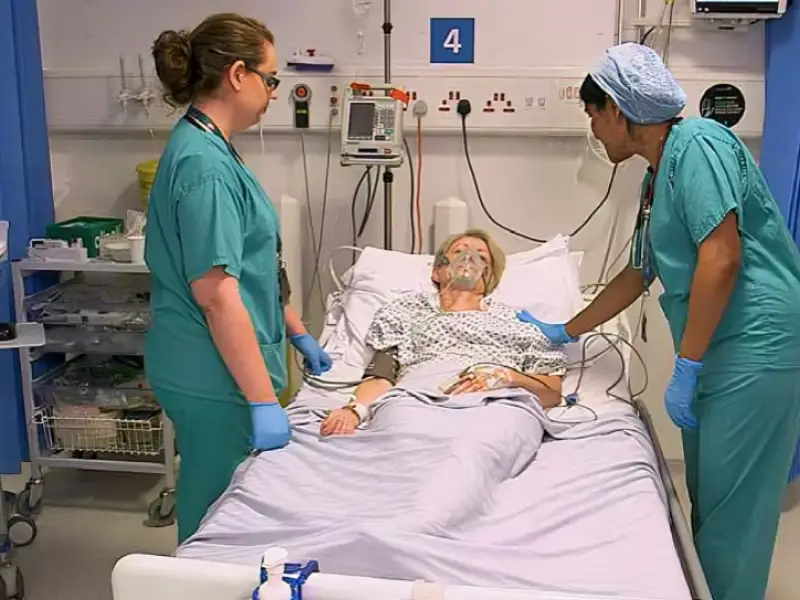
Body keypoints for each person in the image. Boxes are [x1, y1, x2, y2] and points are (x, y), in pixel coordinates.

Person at [519, 43, 800, 600]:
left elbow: (722, 255)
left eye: (594, 115)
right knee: (709, 494)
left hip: (756, 347)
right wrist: (566, 330)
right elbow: (636, 272)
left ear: (619, 111)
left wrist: (689, 364)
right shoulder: (658, 173)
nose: (594, 131)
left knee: (732, 512)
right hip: (721, 349)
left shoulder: (698, 144)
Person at [144, 13, 331, 543]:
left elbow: (252, 265)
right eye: (271, 80)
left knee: (233, 507)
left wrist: (294, 328)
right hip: (212, 373)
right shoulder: (204, 167)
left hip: (222, 364)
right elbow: (217, 296)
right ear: (238, 75)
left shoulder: (214, 147)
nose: (273, 93)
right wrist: (263, 401)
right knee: (217, 518)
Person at [321, 229, 566, 437]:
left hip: (495, 404)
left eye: (481, 257)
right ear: (437, 272)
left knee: (485, 442)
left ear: (489, 277)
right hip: (414, 400)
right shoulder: (406, 311)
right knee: (400, 431)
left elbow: (552, 394)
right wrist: (355, 410)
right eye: (459, 252)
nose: (469, 259)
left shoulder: (519, 323)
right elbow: (382, 376)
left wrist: (508, 377)